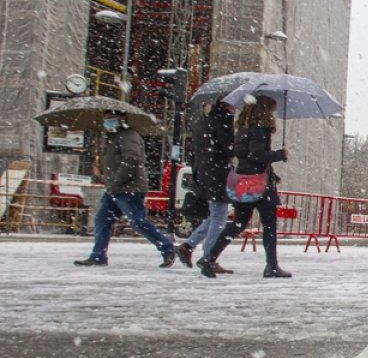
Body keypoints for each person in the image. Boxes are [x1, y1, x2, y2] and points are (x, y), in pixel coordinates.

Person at [196, 97, 290, 279]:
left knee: (237, 224)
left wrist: (273, 173)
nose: (272, 114)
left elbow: (243, 154)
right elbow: (258, 154)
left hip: (244, 181)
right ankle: (272, 266)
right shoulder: (260, 128)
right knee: (269, 226)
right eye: (271, 109)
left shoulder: (242, 127)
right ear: (265, 110)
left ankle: (210, 257)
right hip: (260, 184)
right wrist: (280, 154)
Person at [73, 111, 176, 267]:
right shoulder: (113, 137)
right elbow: (118, 162)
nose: (107, 123)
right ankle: (98, 255)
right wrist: (103, 174)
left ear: (122, 119)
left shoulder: (128, 136)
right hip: (115, 189)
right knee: (103, 220)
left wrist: (116, 181)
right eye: (106, 119)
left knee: (138, 222)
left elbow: (132, 159)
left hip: (129, 188)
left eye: (111, 119)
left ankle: (168, 248)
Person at [175, 101, 235, 275]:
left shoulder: (203, 122)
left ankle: (188, 246)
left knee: (216, 215)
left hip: (204, 172)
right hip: (218, 173)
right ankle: (209, 256)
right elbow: (229, 148)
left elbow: (195, 150)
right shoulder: (222, 121)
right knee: (218, 217)